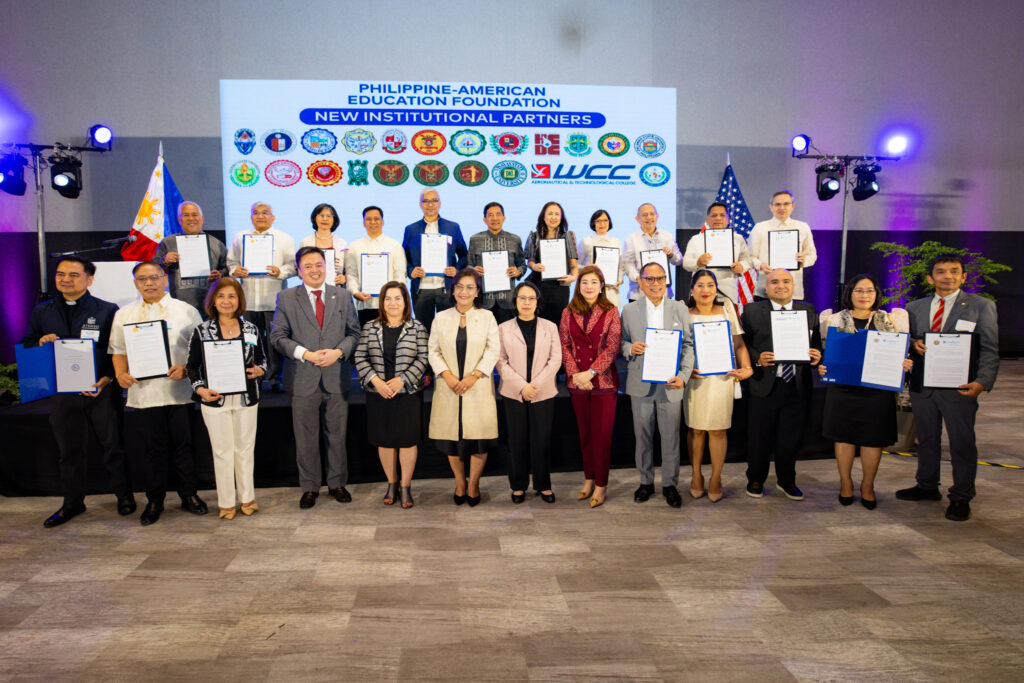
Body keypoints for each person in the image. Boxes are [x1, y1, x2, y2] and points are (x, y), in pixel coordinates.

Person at [20, 256, 135, 527]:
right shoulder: (42, 311)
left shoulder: (108, 310)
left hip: (101, 390)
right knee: (68, 450)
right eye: (61, 274)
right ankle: (72, 502)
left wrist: (107, 379)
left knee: (113, 447)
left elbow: (117, 350)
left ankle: (124, 496)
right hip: (62, 393)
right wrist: (40, 341)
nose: (65, 279)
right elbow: (26, 344)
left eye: (73, 274)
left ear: (89, 279)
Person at [896, 254, 1000, 522]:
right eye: (941, 272)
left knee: (962, 443)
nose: (948, 276)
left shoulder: (981, 306)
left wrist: (982, 382)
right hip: (924, 385)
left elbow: (989, 348)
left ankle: (961, 497)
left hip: (960, 387)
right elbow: (906, 340)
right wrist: (912, 345)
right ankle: (927, 485)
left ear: (964, 276)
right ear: (930, 278)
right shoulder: (914, 307)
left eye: (954, 272)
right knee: (927, 440)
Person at [109, 261, 206, 526]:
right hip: (143, 395)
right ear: (135, 283)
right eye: (142, 279)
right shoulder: (124, 315)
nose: (149, 283)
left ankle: (189, 494)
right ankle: (155, 500)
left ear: (165, 279)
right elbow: (118, 351)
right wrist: (120, 374)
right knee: (152, 451)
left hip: (179, 392)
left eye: (154, 277)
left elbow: (199, 351)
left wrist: (187, 369)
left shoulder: (186, 311)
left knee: (184, 448)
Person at [270, 247, 361, 509]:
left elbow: (354, 333)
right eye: (308, 266)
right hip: (302, 377)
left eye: (318, 264)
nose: (314, 270)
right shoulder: (286, 297)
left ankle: (336, 483)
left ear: (326, 266)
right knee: (306, 437)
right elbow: (277, 337)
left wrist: (338, 352)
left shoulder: (342, 296)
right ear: (299, 270)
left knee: (337, 435)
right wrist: (305, 354)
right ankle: (309, 487)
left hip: (336, 376)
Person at [818, 274, 912, 509]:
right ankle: (845, 484)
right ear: (849, 293)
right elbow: (824, 351)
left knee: (873, 439)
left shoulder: (890, 320)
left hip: (876, 389)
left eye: (869, 290)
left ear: (876, 294)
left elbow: (899, 353)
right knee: (844, 437)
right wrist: (821, 364)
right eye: (858, 290)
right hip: (843, 388)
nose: (864, 295)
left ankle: (868, 486)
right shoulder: (833, 320)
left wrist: (904, 363)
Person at [185, 278, 267, 519]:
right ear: (212, 300)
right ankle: (226, 503)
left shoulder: (251, 329)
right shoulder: (202, 330)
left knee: (245, 450)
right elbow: (192, 366)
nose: (226, 301)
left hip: (246, 398)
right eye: (221, 296)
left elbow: (263, 360)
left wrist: (260, 370)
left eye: (231, 296)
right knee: (222, 451)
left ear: (239, 300)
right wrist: (200, 389)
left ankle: (247, 498)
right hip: (215, 399)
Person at [739, 268, 822, 501]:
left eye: (786, 281)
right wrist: (757, 358)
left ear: (793, 285)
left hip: (796, 384)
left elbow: (816, 345)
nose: (780, 286)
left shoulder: (808, 310)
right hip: (764, 384)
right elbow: (741, 344)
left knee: (790, 438)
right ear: (766, 287)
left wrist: (818, 356)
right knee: (759, 438)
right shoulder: (752, 311)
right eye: (774, 282)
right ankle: (755, 479)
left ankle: (787, 481)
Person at [620, 262, 695, 507]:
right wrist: (630, 348)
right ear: (640, 282)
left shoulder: (679, 309)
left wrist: (683, 376)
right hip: (640, 383)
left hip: (671, 384)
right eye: (649, 279)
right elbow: (621, 342)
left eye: (660, 278)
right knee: (642, 436)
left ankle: (670, 485)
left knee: (671, 436)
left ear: (666, 281)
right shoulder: (629, 310)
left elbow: (688, 346)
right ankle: (645, 482)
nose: (655, 284)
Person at [353, 281, 429, 509]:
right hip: (379, 393)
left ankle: (405, 486)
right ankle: (391, 483)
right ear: (381, 302)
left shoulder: (417, 328)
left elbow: (423, 359)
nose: (393, 303)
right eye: (388, 299)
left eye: (398, 298)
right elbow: (359, 356)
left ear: (406, 301)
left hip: (407, 392)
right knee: (385, 441)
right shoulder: (369, 327)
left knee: (407, 442)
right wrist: (376, 381)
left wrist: (402, 379)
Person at [428, 268, 500, 507]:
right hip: (449, 387)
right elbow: (433, 351)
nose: (464, 292)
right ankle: (460, 482)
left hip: (476, 386)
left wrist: (474, 376)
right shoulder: (441, 317)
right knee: (452, 439)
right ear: (453, 289)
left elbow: (493, 350)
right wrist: (447, 376)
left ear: (477, 291)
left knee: (478, 438)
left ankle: (474, 484)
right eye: (460, 286)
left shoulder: (487, 317)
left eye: (470, 287)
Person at [684, 270, 754, 502]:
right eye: (700, 286)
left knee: (717, 429)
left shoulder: (727, 310)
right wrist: (684, 370)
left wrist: (748, 368)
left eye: (710, 285)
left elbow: (739, 343)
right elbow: (679, 347)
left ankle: (715, 477)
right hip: (695, 379)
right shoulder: (684, 313)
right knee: (695, 429)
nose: (706, 290)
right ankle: (696, 475)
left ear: (716, 288)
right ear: (692, 290)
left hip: (722, 378)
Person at [559, 265, 622, 508]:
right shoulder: (568, 312)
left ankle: (601, 484)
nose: (588, 287)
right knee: (585, 435)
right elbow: (564, 345)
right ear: (579, 285)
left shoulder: (612, 311)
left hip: (603, 383)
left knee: (602, 437)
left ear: (601, 285)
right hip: (577, 384)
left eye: (594, 282)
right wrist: (576, 374)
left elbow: (613, 347)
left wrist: (591, 373)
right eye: (584, 282)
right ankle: (588, 478)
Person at [497, 281, 562, 504]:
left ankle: (543, 484)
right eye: (522, 298)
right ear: (515, 301)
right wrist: (522, 386)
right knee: (517, 441)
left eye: (531, 298)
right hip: (514, 393)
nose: (526, 302)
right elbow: (500, 361)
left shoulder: (550, 327)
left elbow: (556, 360)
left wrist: (534, 385)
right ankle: (518, 486)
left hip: (542, 392)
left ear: (537, 302)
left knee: (541, 441)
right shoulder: (503, 328)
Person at [226, 202, 297, 392]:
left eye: (265, 213)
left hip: (274, 301)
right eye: (255, 213)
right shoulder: (240, 237)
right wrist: (235, 270)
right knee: (250, 340)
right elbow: (230, 262)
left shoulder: (284, 238)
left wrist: (279, 271)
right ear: (251, 217)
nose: (260, 216)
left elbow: (293, 267)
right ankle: (253, 377)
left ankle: (275, 379)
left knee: (275, 341)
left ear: (273, 217)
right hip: (249, 301)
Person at [402, 189, 468, 332]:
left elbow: (464, 255)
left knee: (448, 331)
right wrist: (410, 270)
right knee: (423, 332)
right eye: (426, 201)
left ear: (440, 203)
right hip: (421, 289)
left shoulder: (453, 227)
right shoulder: (411, 229)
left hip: (447, 288)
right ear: (420, 205)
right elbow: (403, 257)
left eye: (434, 200)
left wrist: (456, 269)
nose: (430, 204)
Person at [154, 201, 228, 315]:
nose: (191, 218)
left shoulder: (216, 244)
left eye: (194, 215)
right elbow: (153, 269)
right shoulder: (168, 243)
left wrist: (220, 275)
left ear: (202, 218)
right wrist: (164, 260)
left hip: (209, 305)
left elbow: (227, 268)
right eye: (186, 215)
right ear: (179, 219)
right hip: (178, 306)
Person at [748, 191, 817, 300]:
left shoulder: (802, 227)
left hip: (793, 291)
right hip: (765, 290)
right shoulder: (760, 228)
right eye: (778, 204)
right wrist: (760, 265)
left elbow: (812, 256)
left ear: (792, 206)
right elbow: (750, 257)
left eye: (786, 204)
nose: (782, 207)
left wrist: (804, 260)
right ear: (771, 207)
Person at [466, 201, 527, 325]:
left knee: (506, 338)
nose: (495, 218)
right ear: (484, 220)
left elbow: (523, 265)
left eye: (498, 214)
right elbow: (468, 265)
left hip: (507, 300)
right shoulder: (475, 239)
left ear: (503, 218)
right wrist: (473, 271)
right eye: (490, 215)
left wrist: (517, 271)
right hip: (483, 300)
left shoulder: (514, 239)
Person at [681, 202, 755, 304]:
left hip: (728, 290)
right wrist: (698, 263)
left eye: (722, 215)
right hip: (702, 291)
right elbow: (686, 263)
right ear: (707, 220)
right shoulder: (696, 239)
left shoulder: (738, 239)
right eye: (714, 215)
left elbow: (748, 261)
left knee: (728, 319)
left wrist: (741, 266)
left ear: (728, 219)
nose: (718, 218)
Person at [346, 206, 408, 327]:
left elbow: (400, 274)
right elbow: (351, 274)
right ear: (364, 223)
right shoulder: (354, 246)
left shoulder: (394, 245)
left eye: (376, 219)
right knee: (367, 341)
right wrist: (355, 292)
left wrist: (395, 295)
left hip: (390, 305)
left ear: (382, 222)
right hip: (365, 304)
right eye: (369, 219)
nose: (373, 222)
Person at [524, 201, 579, 327]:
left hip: (560, 287)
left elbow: (573, 265)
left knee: (557, 323)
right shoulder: (534, 236)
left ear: (561, 217)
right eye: (550, 214)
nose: (553, 217)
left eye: (557, 214)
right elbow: (530, 261)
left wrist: (573, 277)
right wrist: (534, 266)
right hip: (538, 286)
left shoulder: (568, 236)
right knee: (537, 322)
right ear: (543, 216)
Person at [623, 203, 683, 301]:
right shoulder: (631, 239)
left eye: (652, 214)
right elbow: (628, 265)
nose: (649, 217)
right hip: (639, 294)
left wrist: (671, 254)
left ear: (657, 216)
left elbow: (679, 260)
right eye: (644, 215)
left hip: (664, 293)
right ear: (637, 219)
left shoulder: (667, 236)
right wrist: (639, 278)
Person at [578, 209, 625, 307]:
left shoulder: (616, 242)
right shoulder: (586, 241)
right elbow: (576, 266)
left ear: (609, 222)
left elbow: (621, 266)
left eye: (605, 220)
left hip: (611, 290)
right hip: (590, 290)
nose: (602, 224)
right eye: (598, 221)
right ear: (593, 223)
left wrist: (619, 280)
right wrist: (587, 268)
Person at [299, 203, 347, 286]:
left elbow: (350, 269)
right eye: (321, 215)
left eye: (329, 216)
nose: (325, 219)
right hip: (310, 288)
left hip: (336, 289)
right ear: (315, 218)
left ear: (334, 220)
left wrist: (345, 278)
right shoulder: (306, 242)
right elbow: (299, 268)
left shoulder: (342, 243)